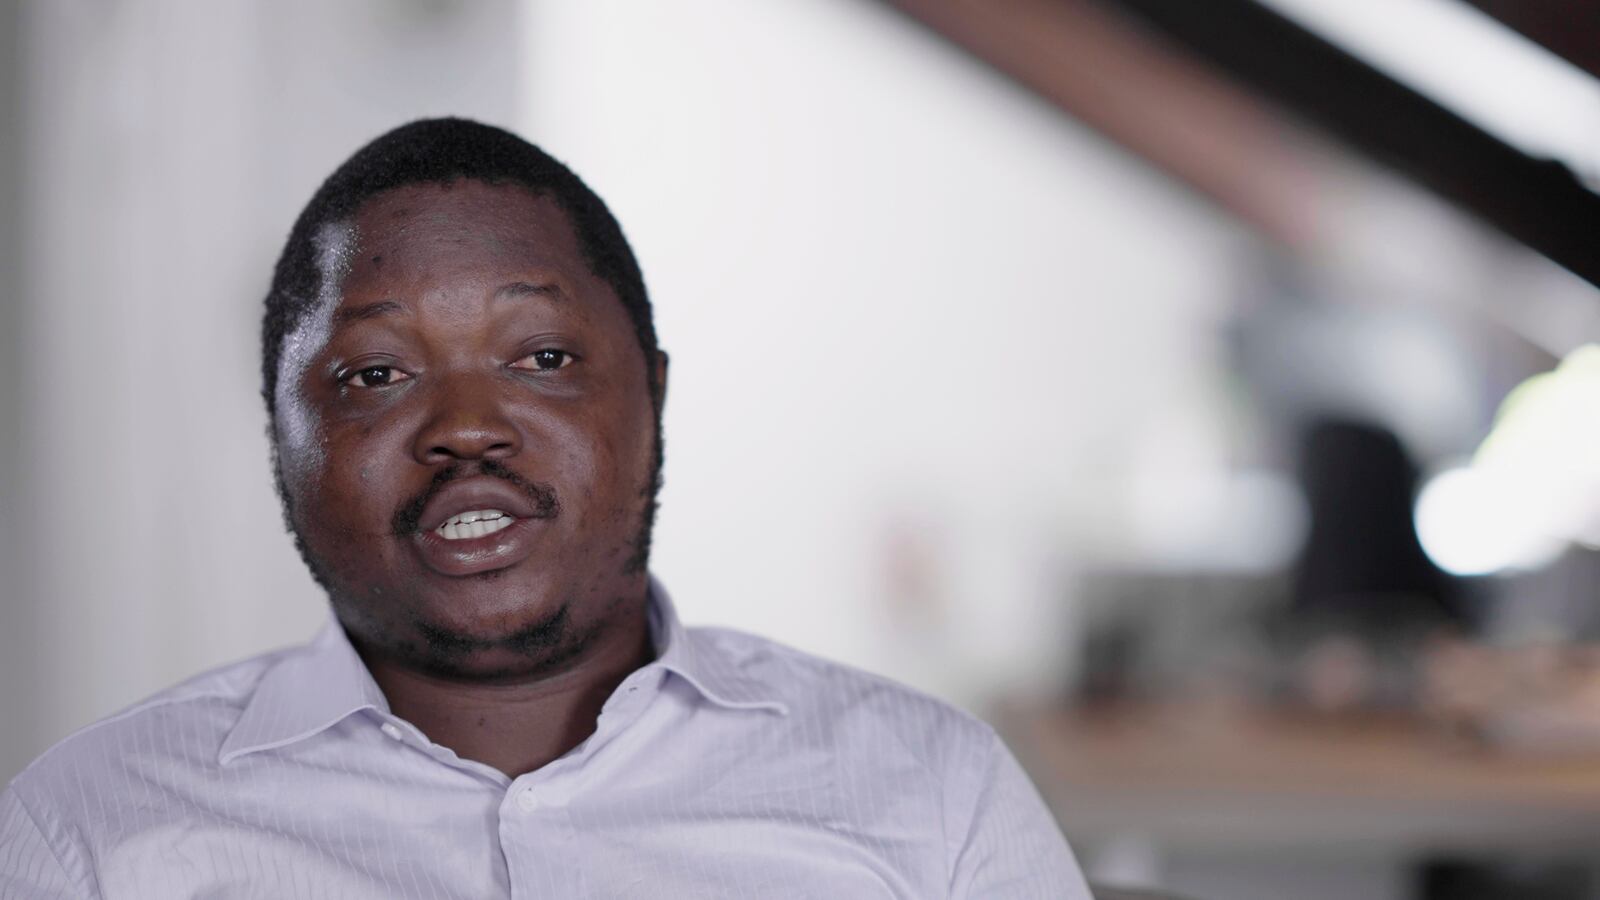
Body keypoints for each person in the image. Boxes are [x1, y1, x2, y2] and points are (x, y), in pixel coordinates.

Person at [0, 118, 1090, 898]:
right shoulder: (87, 833)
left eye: (543, 356)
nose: (466, 426)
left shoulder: (931, 791)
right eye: (375, 375)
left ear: (651, 399)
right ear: (279, 437)